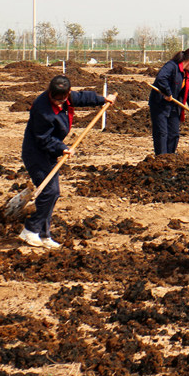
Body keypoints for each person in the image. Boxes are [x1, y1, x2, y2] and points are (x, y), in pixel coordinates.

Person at [20, 74, 116, 249]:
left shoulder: (68, 96)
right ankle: (30, 230)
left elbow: (83, 97)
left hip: (49, 152)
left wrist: (103, 99)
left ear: (67, 93)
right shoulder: (42, 109)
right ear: (50, 92)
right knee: (50, 192)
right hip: (36, 153)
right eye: (55, 99)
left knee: (52, 193)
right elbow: (43, 138)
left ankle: (43, 234)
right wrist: (62, 148)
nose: (58, 103)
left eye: (61, 99)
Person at [148, 48, 189, 155]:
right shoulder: (172, 66)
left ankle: (170, 157)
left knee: (174, 133)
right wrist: (168, 93)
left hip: (174, 105)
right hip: (160, 104)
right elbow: (161, 78)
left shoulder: (188, 74)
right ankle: (161, 157)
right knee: (162, 133)